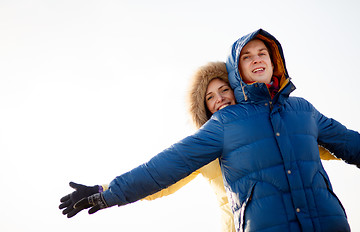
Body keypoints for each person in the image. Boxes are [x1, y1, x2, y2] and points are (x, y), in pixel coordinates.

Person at [60, 29, 359, 231]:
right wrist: (107, 192)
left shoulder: (303, 111)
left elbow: (348, 144)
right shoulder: (224, 127)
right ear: (238, 70)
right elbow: (163, 170)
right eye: (247, 56)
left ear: (274, 61)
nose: (256, 58)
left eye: (262, 53)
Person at [60, 62, 236, 231]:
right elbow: (158, 180)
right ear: (204, 108)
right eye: (210, 97)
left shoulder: (261, 121)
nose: (219, 99)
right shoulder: (202, 147)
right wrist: (103, 190)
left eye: (224, 90)